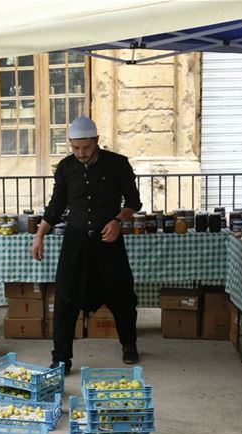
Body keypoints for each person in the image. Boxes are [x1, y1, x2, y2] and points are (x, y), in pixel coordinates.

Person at [31, 116, 142, 374]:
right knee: (65, 299)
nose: (81, 153)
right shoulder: (66, 167)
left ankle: (129, 344)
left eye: (86, 147)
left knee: (122, 295)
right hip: (75, 240)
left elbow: (134, 202)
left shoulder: (118, 164)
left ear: (97, 141)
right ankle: (61, 358)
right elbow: (56, 206)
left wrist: (118, 220)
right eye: (75, 148)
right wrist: (39, 235)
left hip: (108, 240)